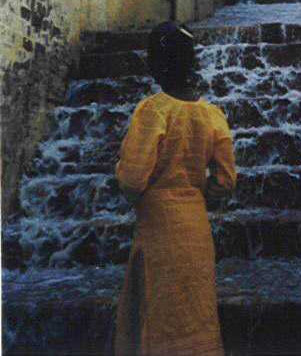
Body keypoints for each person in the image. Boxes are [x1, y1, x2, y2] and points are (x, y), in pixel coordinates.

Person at [114, 21, 236, 356]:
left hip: (159, 228)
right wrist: (200, 193)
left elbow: (131, 180)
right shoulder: (212, 114)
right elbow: (226, 180)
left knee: (158, 317)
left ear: (159, 63)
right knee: (196, 316)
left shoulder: (153, 110)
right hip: (195, 228)